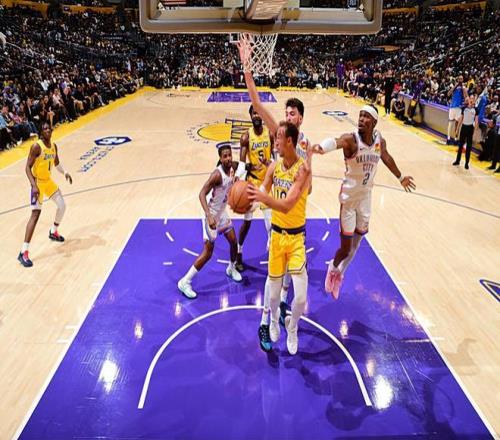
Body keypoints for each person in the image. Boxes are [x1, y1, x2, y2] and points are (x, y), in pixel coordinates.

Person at [238, 36, 312, 351]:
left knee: (287, 283)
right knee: (274, 275)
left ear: (300, 119)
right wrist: (247, 66)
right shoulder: (278, 133)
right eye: (286, 113)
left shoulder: (305, 148)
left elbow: (308, 186)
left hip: (294, 213)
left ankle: (283, 312)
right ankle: (266, 320)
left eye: (292, 113)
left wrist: (302, 178)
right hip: (275, 210)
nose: (287, 117)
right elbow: (256, 104)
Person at [313, 105, 416, 299]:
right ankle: (332, 268)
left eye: (366, 116)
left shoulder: (379, 141)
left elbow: (386, 157)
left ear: (374, 122)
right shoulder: (352, 140)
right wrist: (322, 148)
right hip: (349, 200)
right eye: (360, 115)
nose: (361, 119)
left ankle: (340, 275)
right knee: (345, 249)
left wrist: (401, 177)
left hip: (365, 198)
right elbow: (337, 141)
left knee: (356, 245)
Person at [248, 121, 311, 355]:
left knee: (301, 298)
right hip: (276, 236)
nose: (275, 141)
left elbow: (286, 205)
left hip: (296, 239)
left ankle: (292, 327)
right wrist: (250, 199)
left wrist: (262, 198)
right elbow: (263, 189)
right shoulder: (274, 166)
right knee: (273, 295)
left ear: (290, 141)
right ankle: (274, 321)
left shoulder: (302, 170)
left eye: (279, 137)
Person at [177, 143, 242, 299]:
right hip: (211, 213)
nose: (228, 158)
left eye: (230, 155)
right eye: (225, 156)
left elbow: (244, 167)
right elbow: (201, 194)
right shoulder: (216, 175)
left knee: (234, 241)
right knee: (208, 252)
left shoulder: (233, 167)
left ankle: (231, 268)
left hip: (221, 212)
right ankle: (185, 281)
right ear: (220, 158)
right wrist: (208, 215)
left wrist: (239, 181)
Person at [18, 122, 72, 267]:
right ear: (41, 132)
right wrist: (33, 185)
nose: (48, 130)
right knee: (35, 215)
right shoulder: (36, 147)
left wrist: (65, 172)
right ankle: (23, 252)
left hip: (48, 181)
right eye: (45, 129)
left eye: (49, 128)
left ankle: (53, 231)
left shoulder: (54, 146)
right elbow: (27, 168)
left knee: (62, 205)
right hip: (37, 183)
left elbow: (57, 163)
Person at [235, 105, 274, 272]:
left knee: (271, 226)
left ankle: (273, 257)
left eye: (259, 113)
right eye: (254, 113)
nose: (257, 116)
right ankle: (239, 253)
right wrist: (239, 177)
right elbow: (241, 164)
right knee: (247, 223)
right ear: (250, 116)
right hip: (252, 184)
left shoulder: (270, 135)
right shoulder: (246, 137)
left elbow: (275, 157)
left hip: (267, 185)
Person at [453, 95, 478, 170]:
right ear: (469, 99)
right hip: (464, 127)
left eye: (473, 99)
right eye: (470, 98)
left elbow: (476, 121)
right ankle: (457, 160)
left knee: (469, 147)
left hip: (470, 128)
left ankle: (466, 163)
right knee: (460, 145)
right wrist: (457, 129)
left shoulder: (476, 109)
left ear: (474, 100)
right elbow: (461, 119)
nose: (471, 100)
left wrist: (475, 132)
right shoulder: (464, 108)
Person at [447, 76, 468, 145]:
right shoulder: (454, 86)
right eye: (459, 79)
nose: (460, 80)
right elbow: (448, 94)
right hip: (452, 107)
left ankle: (455, 139)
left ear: (463, 80)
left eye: (461, 79)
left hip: (459, 108)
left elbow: (466, 97)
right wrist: (455, 86)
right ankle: (448, 138)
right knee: (450, 123)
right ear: (457, 79)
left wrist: (463, 88)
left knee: (457, 124)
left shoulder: (464, 88)